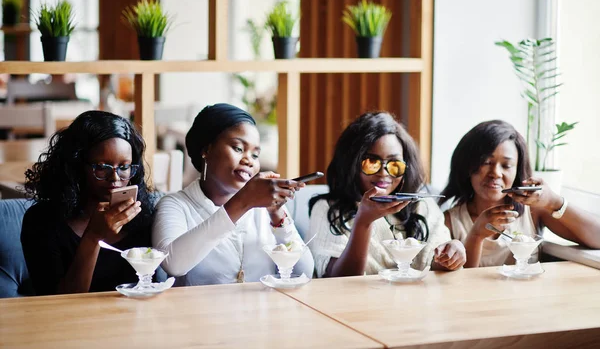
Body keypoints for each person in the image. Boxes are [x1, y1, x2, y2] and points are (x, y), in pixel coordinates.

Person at [152, 103, 314, 285]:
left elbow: (305, 272)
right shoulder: (175, 205)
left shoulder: (263, 209)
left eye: (255, 155)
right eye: (238, 148)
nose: (248, 160)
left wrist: (278, 216)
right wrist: (243, 201)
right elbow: (173, 265)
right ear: (206, 149)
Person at [307, 111, 465, 278]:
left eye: (394, 164)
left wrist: (452, 254)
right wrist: (363, 222)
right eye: (371, 162)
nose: (383, 172)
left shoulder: (422, 206)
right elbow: (338, 279)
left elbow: (436, 264)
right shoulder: (328, 209)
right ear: (351, 164)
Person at [21, 111, 154, 295]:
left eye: (124, 167)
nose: (115, 178)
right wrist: (93, 237)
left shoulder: (144, 217)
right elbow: (58, 304)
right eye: (101, 167)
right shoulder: (42, 221)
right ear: (76, 166)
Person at [439, 120, 600, 268]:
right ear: (468, 165)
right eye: (486, 162)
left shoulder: (533, 211)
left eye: (507, 165)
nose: (495, 173)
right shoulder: (450, 221)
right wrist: (476, 235)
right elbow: (462, 286)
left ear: (517, 171)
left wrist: (554, 201)